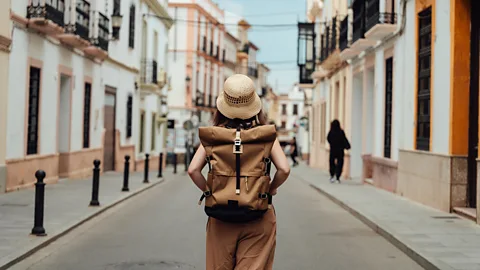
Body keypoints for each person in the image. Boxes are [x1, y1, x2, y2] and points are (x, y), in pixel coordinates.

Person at [187, 74, 290, 270]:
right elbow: (284, 169)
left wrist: (211, 191)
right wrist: (269, 190)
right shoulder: (265, 136)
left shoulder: (215, 136)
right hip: (258, 213)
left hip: (221, 216)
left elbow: (193, 170)